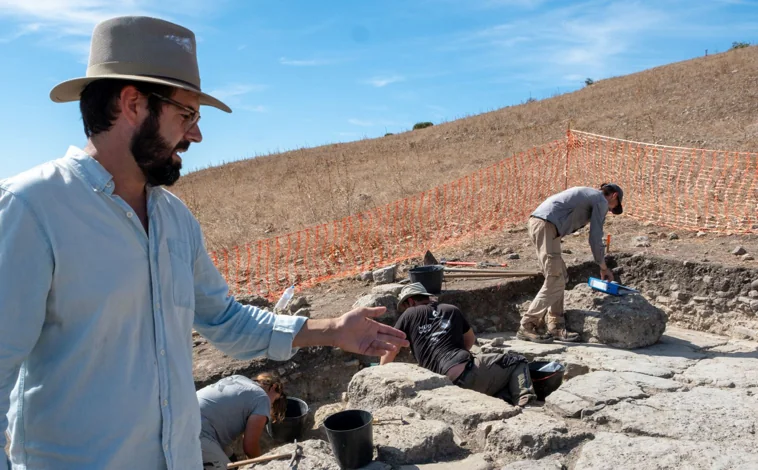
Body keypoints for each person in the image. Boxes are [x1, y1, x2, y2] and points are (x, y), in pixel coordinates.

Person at [0, 16, 408, 470]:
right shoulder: (32, 208)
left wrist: (330, 330)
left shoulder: (174, 219)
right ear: (132, 103)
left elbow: (225, 320)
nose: (196, 134)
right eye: (186, 114)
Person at [380, 283, 537, 407]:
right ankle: (527, 403)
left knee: (500, 387)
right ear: (425, 297)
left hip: (438, 385)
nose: (405, 310)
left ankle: (505, 399)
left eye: (405, 306)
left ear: (411, 301)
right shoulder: (451, 309)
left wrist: (380, 374)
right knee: (516, 361)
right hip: (464, 374)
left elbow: (391, 346)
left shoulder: (409, 314)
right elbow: (470, 340)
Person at [517, 183, 624, 343]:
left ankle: (556, 325)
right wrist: (603, 267)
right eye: (613, 207)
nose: (609, 211)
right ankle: (528, 324)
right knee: (555, 279)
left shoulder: (589, 194)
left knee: (560, 277)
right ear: (614, 196)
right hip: (546, 226)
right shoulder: (601, 200)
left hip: (544, 226)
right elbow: (595, 237)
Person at [197, 373, 286, 470]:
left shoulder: (239, 378)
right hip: (196, 431)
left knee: (231, 459)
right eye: (275, 400)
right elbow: (250, 447)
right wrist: (261, 466)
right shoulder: (262, 398)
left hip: (184, 416)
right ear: (274, 386)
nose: (272, 404)